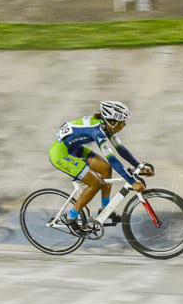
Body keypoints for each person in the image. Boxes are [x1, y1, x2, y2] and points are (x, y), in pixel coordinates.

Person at [49, 100, 154, 234]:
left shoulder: (106, 127)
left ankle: (105, 210)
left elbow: (121, 150)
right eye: (122, 122)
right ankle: (70, 217)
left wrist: (139, 166)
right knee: (95, 183)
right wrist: (132, 182)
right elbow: (113, 159)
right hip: (61, 154)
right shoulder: (97, 131)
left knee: (105, 168)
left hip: (75, 148)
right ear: (113, 121)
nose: (125, 124)